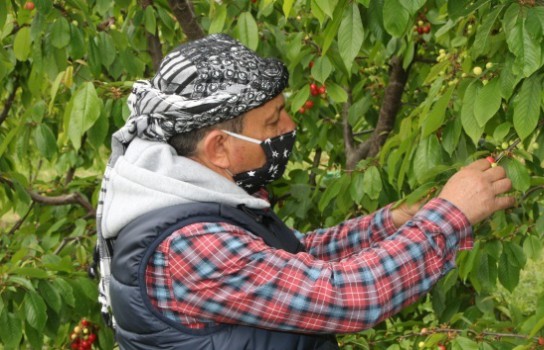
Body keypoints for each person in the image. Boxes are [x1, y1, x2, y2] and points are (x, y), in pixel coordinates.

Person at [95, 34, 514, 350]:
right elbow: (348, 296)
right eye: (274, 120)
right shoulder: (187, 246)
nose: (290, 127)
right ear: (219, 147)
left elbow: (287, 259)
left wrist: (390, 223)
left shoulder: (189, 192)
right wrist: (450, 214)